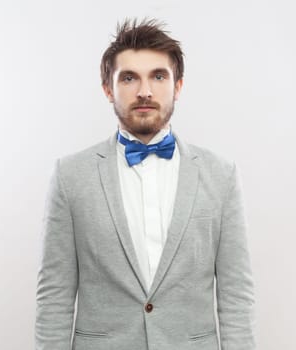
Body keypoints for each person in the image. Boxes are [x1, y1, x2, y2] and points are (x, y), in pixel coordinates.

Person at [35, 18, 256, 350]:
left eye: (158, 76)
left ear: (178, 86)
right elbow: (55, 297)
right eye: (128, 78)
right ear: (107, 88)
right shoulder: (70, 176)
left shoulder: (221, 175)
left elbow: (236, 294)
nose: (144, 91)